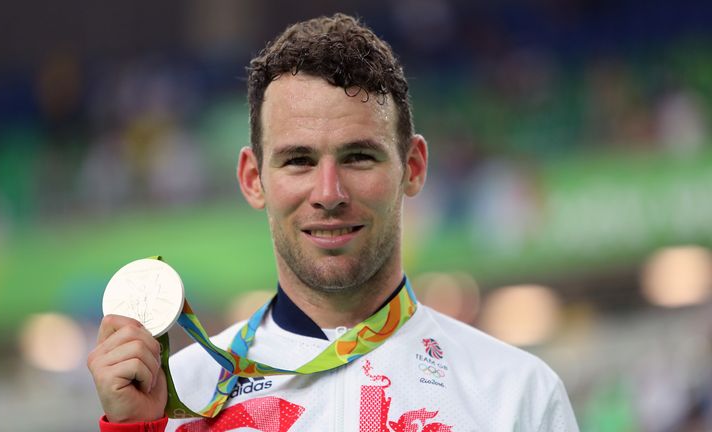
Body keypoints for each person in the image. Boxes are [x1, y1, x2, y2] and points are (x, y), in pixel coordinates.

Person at [88, 13, 580, 431]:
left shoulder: (516, 395)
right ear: (253, 178)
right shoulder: (180, 394)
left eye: (359, 157)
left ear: (412, 167)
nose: (328, 193)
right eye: (299, 160)